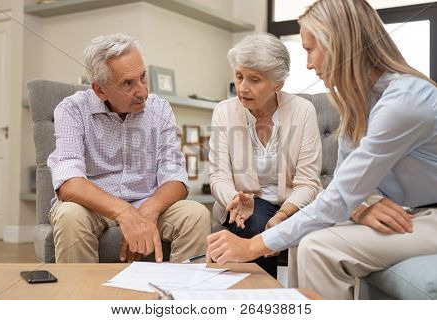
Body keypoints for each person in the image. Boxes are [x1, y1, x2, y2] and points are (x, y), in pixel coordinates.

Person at [206, 0, 437, 299]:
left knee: (315, 248)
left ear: (338, 45)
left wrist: (253, 245)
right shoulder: (360, 103)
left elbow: (336, 195)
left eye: (309, 49)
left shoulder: (404, 101)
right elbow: (344, 187)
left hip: (429, 216)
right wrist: (361, 209)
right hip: (409, 214)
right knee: (306, 239)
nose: (308, 63)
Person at [47, 33, 211, 263]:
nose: (143, 91)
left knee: (196, 215)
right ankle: (80, 297)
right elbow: (69, 183)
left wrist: (148, 211)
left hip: (146, 201)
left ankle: (181, 297)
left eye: (143, 77)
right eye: (127, 83)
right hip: (91, 208)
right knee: (69, 215)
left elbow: (176, 178)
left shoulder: (160, 110)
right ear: (100, 90)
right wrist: (125, 213)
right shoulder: (72, 110)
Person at [209, 33, 322, 278]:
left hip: (291, 206)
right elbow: (219, 176)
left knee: (261, 221)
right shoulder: (224, 112)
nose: (242, 88)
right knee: (254, 218)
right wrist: (236, 200)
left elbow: (308, 183)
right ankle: (257, 298)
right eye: (239, 76)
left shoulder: (302, 112)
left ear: (277, 84)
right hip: (241, 207)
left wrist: (283, 215)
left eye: (254, 80)